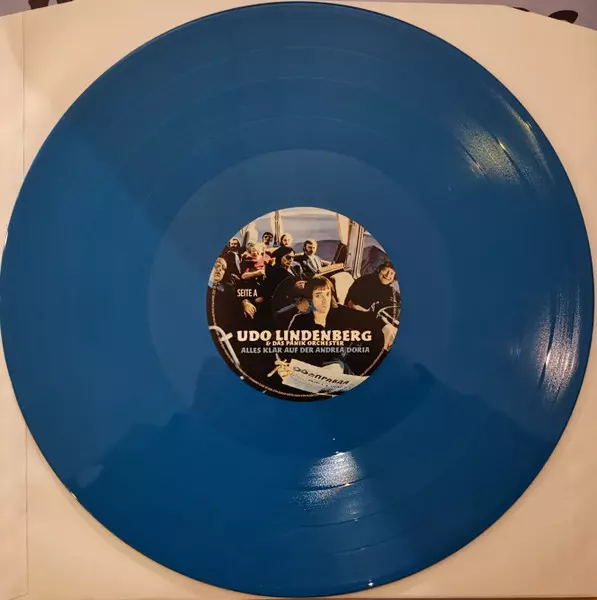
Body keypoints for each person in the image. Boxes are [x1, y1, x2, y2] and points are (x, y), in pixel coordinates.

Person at [272, 276, 397, 382]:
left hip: (342, 371)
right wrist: (285, 367)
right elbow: (289, 352)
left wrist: (386, 326)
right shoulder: (300, 321)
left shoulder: (341, 312)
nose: (324, 299)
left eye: (327, 294)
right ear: (310, 298)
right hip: (313, 373)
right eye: (318, 295)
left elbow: (367, 318)